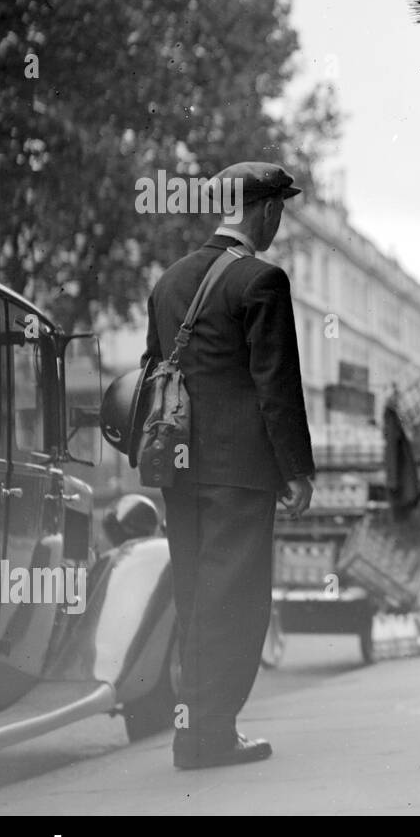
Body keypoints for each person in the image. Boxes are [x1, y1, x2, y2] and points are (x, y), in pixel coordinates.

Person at [143, 161, 315, 769]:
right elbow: (277, 384)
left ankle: (193, 730)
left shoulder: (167, 283)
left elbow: (151, 372)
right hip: (239, 469)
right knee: (237, 599)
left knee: (195, 594)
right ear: (264, 210)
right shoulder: (261, 280)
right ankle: (210, 734)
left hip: (178, 468)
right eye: (279, 210)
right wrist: (297, 468)